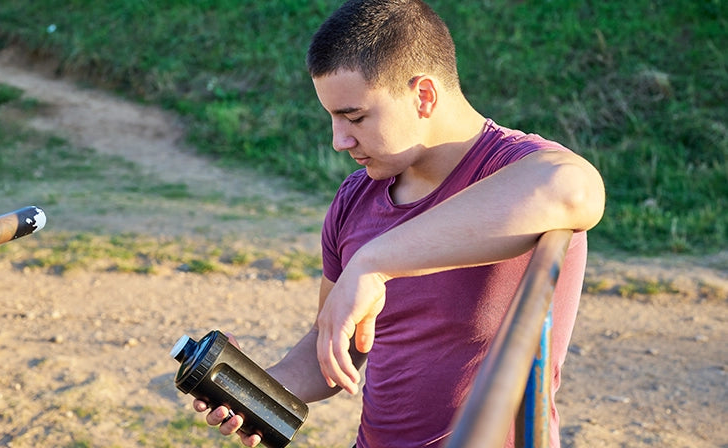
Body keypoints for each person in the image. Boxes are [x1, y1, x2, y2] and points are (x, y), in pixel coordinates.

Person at [192, 0, 605, 446]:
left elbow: (573, 189)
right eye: (332, 117)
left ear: (423, 96)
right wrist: (253, 388)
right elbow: (333, 350)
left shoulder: (512, 168)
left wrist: (375, 262)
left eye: (355, 117)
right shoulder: (355, 198)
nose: (338, 140)